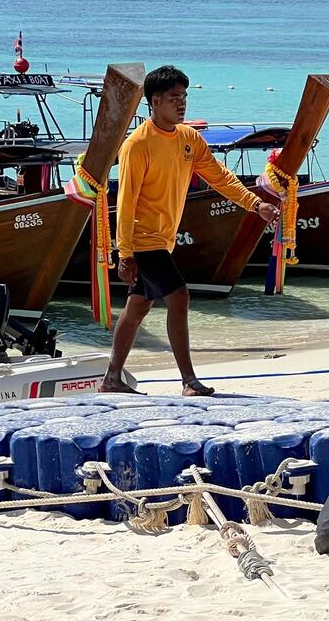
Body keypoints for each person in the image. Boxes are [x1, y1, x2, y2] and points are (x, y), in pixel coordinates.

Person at [100, 65, 280, 396]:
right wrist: (124, 253)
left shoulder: (188, 138)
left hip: (163, 239)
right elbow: (125, 202)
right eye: (174, 98)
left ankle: (112, 379)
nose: (181, 103)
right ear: (155, 101)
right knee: (179, 296)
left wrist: (255, 204)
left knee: (138, 306)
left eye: (184, 97)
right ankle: (188, 381)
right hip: (142, 240)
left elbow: (220, 177)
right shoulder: (137, 145)